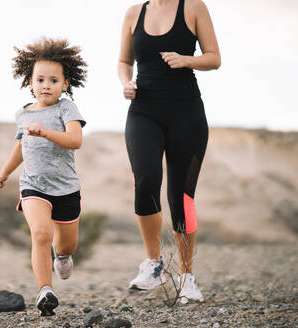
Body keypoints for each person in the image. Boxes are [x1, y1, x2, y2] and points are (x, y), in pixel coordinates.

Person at [118, 0, 220, 303]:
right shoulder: (134, 12)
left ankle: (187, 276)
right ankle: (154, 265)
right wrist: (126, 83)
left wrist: (186, 60)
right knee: (146, 180)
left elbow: (214, 58)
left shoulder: (194, 7)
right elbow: (124, 61)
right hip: (143, 112)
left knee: (182, 196)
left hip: (186, 113)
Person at [0, 38, 87, 316]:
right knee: (41, 233)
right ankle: (45, 290)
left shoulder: (65, 108)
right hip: (34, 186)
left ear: (65, 83)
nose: (46, 85)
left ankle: (64, 256)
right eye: (40, 79)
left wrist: (45, 132)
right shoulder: (22, 114)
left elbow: (75, 140)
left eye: (54, 80)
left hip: (66, 188)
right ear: (29, 82)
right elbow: (21, 147)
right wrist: (5, 172)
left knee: (66, 244)